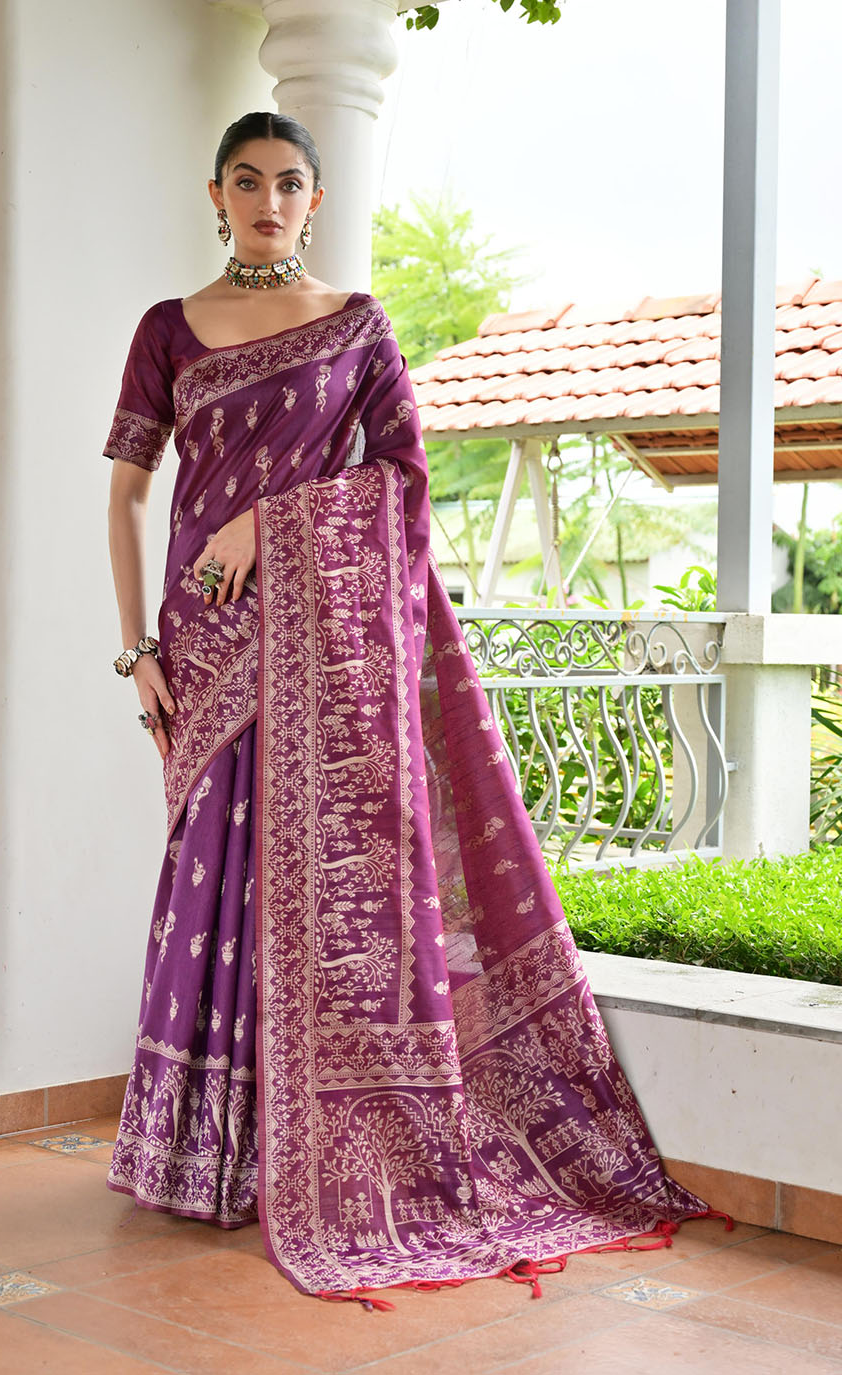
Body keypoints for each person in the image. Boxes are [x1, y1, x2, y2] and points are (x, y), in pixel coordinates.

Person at [103, 111, 719, 1306]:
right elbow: (127, 493)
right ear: (215, 193)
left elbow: (402, 480)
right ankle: (205, 1156)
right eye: (246, 181)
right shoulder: (166, 329)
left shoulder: (357, 325)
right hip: (205, 640)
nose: (268, 201)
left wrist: (264, 522)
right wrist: (136, 650)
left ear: (315, 198)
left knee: (309, 886)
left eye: (289, 182)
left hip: (322, 642)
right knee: (211, 879)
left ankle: (305, 1155)